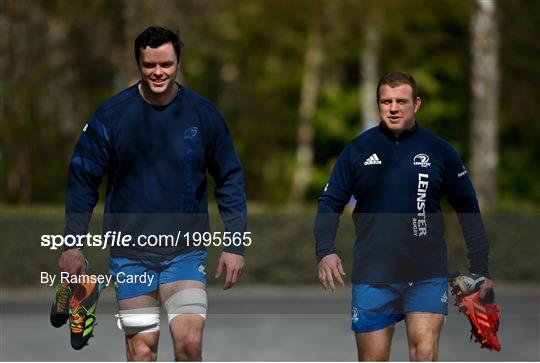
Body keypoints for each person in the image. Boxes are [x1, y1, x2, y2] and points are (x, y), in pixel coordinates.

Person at [58, 26, 247, 361]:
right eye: (150, 65)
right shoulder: (112, 116)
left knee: (189, 346)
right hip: (130, 253)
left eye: (167, 64)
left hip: (185, 254)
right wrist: (72, 243)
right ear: (138, 64)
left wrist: (235, 243)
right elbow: (82, 177)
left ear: (178, 63)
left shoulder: (203, 115)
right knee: (142, 350)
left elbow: (229, 177)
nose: (159, 72)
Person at [314, 71, 493, 361]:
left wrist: (480, 268)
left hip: (426, 272)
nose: (393, 108)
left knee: (424, 351)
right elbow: (329, 202)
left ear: (416, 103)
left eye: (401, 101)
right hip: (374, 273)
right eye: (386, 101)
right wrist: (325, 250)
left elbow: (468, 208)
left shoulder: (440, 151)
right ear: (378, 105)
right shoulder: (357, 150)